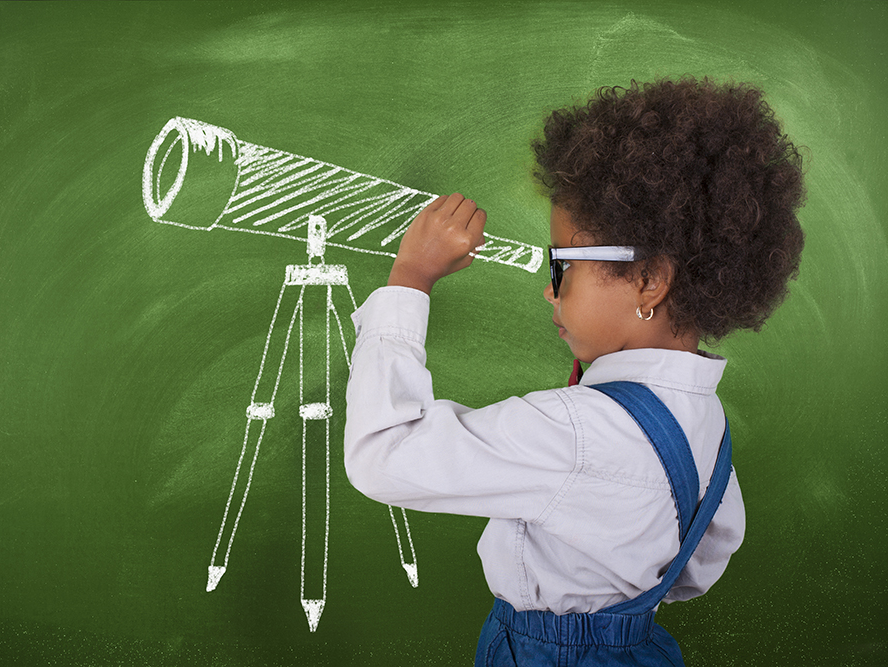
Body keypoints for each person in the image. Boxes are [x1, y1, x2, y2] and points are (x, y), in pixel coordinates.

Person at [343, 77, 805, 666]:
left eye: (562, 266)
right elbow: (698, 566)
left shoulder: (578, 432)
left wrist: (410, 279)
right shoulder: (704, 420)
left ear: (648, 280)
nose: (548, 290)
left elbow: (385, 454)